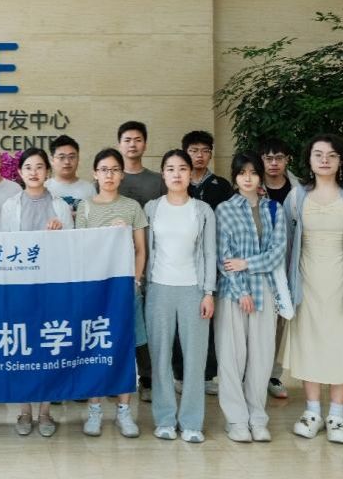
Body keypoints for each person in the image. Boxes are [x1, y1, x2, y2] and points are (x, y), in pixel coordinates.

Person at [281, 134, 343, 445]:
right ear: (308, 160)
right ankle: (311, 412)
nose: (324, 160)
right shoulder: (296, 197)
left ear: (340, 161)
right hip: (305, 282)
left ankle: (336, 415)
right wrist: (285, 288)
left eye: (331, 155)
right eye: (318, 154)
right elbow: (287, 245)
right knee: (309, 344)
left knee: (341, 345)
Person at [0, 148, 74, 437]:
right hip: (20, 287)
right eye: (28, 167)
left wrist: (59, 235)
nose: (33, 172)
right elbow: (4, 247)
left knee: (47, 348)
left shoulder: (60, 206)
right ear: (19, 172)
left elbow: (71, 249)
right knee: (21, 348)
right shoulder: (10, 205)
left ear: (47, 171)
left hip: (51, 287)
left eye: (39, 167)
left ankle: (45, 412)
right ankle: (24, 410)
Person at [214, 151, 287, 443]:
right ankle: (236, 420)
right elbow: (223, 258)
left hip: (265, 291)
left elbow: (277, 253)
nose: (248, 178)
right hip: (233, 293)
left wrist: (247, 263)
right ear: (235, 177)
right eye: (242, 173)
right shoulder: (224, 210)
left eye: (253, 173)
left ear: (260, 177)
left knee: (262, 357)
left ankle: (258, 418)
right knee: (232, 358)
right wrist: (241, 290)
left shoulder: (274, 209)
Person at [145, 149, 216, 444]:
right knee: (160, 357)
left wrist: (208, 292)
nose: (177, 174)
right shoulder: (152, 208)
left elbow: (210, 253)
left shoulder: (203, 210)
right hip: (158, 289)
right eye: (171, 169)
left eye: (182, 169)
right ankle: (164, 419)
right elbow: (143, 247)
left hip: (193, 290)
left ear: (190, 174)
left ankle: (191, 422)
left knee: (195, 360)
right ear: (163, 174)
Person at [76, 148, 147, 439]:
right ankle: (94, 410)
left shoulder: (132, 207)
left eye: (115, 170)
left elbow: (140, 250)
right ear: (95, 173)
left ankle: (123, 410)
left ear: (121, 174)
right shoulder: (85, 208)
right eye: (104, 169)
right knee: (95, 348)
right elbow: (80, 250)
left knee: (124, 350)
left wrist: (135, 281)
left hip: (124, 290)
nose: (109, 175)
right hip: (95, 292)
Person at [175, 130, 231, 394]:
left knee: (207, 317)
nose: (199, 155)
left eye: (205, 151)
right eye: (194, 150)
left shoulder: (222, 186)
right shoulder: (177, 183)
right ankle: (179, 374)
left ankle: (207, 375)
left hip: (213, 260)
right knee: (180, 320)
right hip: (180, 262)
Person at [116, 120, 165, 402]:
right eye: (127, 140)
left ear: (145, 144)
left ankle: (147, 378)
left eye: (137, 139)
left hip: (151, 260)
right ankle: (116, 378)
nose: (132, 144)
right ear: (119, 144)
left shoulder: (157, 180)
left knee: (146, 323)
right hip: (115, 264)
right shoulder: (110, 177)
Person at [257, 137, 300, 399]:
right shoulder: (250, 186)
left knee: (280, 324)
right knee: (255, 323)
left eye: (279, 158)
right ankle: (251, 374)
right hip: (257, 268)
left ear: (287, 160)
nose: (274, 163)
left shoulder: (299, 190)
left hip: (288, 267)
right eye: (268, 158)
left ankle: (272, 375)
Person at [45, 135, 96, 211]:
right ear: (52, 160)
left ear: (78, 159)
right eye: (61, 157)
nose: (67, 162)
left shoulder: (89, 189)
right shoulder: (45, 188)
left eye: (71, 157)